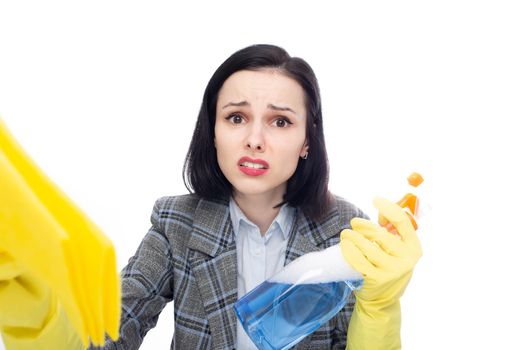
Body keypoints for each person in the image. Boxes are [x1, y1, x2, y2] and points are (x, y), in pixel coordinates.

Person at [0, 44, 422, 349]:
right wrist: (37, 310)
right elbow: (108, 336)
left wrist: (379, 310)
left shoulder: (344, 230)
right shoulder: (177, 225)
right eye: (236, 117)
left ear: (307, 140)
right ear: (213, 131)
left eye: (280, 121)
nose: (254, 140)